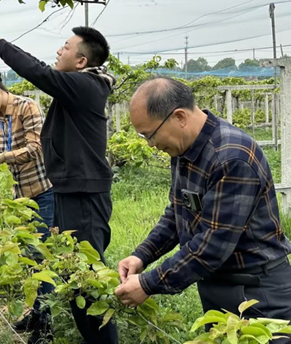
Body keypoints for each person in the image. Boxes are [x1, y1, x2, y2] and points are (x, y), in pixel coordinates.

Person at [0, 21, 118, 344]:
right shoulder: (79, 87)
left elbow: (38, 73)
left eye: (65, 47)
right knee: (74, 273)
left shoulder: (85, 86)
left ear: (81, 61)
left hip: (83, 194)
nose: (58, 50)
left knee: (88, 279)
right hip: (69, 190)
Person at [115, 77, 291, 332]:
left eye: (150, 135)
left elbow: (213, 245)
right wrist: (141, 255)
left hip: (257, 292)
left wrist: (148, 283)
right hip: (218, 284)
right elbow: (178, 214)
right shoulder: (183, 150)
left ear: (179, 117)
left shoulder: (231, 157)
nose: (150, 145)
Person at [0, 68, 54, 344]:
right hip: (21, 197)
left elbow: (36, 149)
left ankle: (46, 327)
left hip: (44, 190)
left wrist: (2, 158)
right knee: (30, 255)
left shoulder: (27, 107)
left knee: (42, 255)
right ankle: (37, 314)